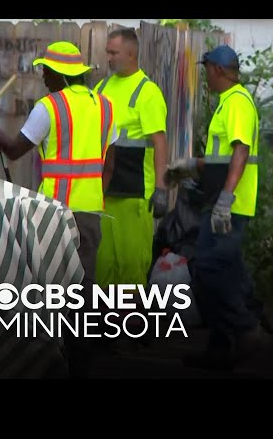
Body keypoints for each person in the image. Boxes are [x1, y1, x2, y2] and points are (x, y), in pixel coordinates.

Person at [0, 40, 117, 316]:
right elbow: (110, 165)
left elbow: (14, 150)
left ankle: (55, 353)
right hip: (91, 215)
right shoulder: (105, 107)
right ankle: (83, 354)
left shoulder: (49, 107)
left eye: (48, 71)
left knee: (52, 289)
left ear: (62, 75)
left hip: (55, 215)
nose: (43, 76)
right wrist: (95, 200)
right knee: (84, 288)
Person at [166, 44, 263, 370]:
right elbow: (223, 158)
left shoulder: (236, 103)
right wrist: (192, 166)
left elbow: (240, 152)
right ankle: (221, 346)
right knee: (226, 269)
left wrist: (225, 199)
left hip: (227, 207)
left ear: (218, 70)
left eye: (206, 69)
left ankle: (245, 329)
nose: (205, 75)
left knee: (208, 268)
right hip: (221, 201)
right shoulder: (228, 103)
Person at [94, 28, 169, 290]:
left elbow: (159, 142)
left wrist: (161, 189)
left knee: (131, 266)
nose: (109, 58)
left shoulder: (147, 92)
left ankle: (131, 325)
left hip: (135, 193)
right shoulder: (101, 87)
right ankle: (105, 324)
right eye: (108, 53)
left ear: (131, 54)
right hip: (105, 191)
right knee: (103, 265)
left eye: (114, 53)